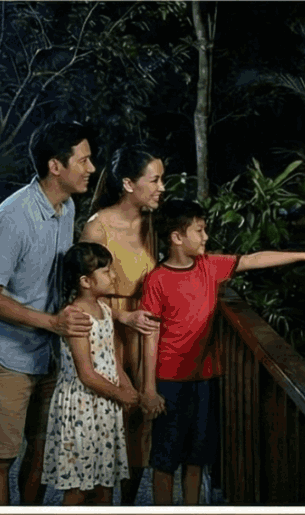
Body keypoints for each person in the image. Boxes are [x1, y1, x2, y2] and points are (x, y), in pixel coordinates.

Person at [139, 198, 305, 505]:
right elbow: (149, 335)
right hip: (170, 381)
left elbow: (253, 259)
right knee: (164, 460)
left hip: (205, 379)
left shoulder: (210, 267)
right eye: (200, 230)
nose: (206, 237)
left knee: (196, 459)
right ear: (177, 238)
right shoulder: (157, 280)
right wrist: (149, 389)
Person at [0, 121, 95, 506]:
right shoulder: (12, 218)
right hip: (3, 355)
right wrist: (52, 322)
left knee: (40, 450)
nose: (91, 168)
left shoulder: (67, 208)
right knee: (0, 458)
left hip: (45, 353)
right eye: (83, 160)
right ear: (56, 166)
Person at [77, 149, 167, 496]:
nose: (162, 188)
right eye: (155, 180)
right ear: (129, 184)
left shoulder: (154, 226)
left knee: (140, 428)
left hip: (143, 334)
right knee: (105, 423)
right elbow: (84, 295)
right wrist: (123, 316)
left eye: (163, 179)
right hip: (105, 332)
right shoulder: (97, 227)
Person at [42, 241, 139, 505]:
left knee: (104, 485)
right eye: (106, 271)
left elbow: (110, 357)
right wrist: (121, 394)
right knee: (79, 489)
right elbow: (86, 373)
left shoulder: (106, 311)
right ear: (85, 280)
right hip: (82, 408)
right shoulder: (75, 316)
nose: (113, 276)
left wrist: (127, 387)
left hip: (105, 405)